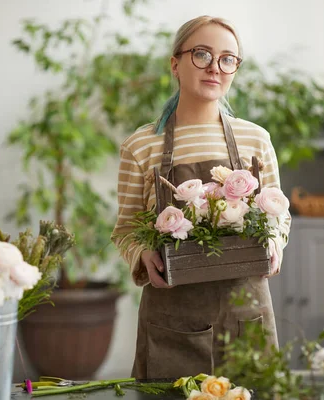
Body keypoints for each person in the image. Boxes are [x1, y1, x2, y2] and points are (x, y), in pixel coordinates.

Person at [110, 15, 291, 379]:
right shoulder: (141, 146)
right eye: (202, 54)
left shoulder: (255, 139)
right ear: (175, 64)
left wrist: (275, 242)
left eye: (227, 59)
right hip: (171, 320)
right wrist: (143, 254)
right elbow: (126, 227)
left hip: (246, 315)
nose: (215, 68)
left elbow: (280, 215)